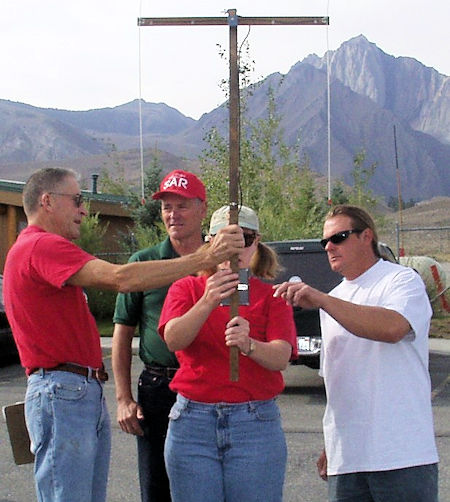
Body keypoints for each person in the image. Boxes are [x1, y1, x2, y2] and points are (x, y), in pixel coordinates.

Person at [2, 167, 243, 502]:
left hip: (74, 389)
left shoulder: (37, 249)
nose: (84, 210)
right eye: (77, 200)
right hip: (63, 391)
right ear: (47, 202)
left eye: (183, 205)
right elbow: (121, 279)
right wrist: (205, 257)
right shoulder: (41, 246)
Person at [273, 204, 439, 502]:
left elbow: (393, 328)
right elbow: (338, 381)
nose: (329, 247)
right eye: (324, 241)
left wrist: (322, 300)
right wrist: (330, 443)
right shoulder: (335, 298)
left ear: (366, 237)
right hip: (348, 459)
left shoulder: (401, 280)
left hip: (401, 456)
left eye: (339, 237)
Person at [158, 205, 298, 502]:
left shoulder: (273, 297)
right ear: (210, 243)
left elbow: (281, 357)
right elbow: (173, 339)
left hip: (254, 422)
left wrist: (249, 345)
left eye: (244, 239)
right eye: (225, 240)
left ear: (257, 242)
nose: (235, 249)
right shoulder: (187, 288)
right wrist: (208, 300)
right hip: (193, 422)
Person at [112, 169, 208, 502]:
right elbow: (123, 334)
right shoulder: (143, 263)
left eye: (181, 205)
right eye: (166, 206)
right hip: (158, 389)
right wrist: (123, 398)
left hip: (209, 388)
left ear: (202, 209)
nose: (172, 214)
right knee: (157, 486)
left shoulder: (222, 263)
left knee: (206, 484)